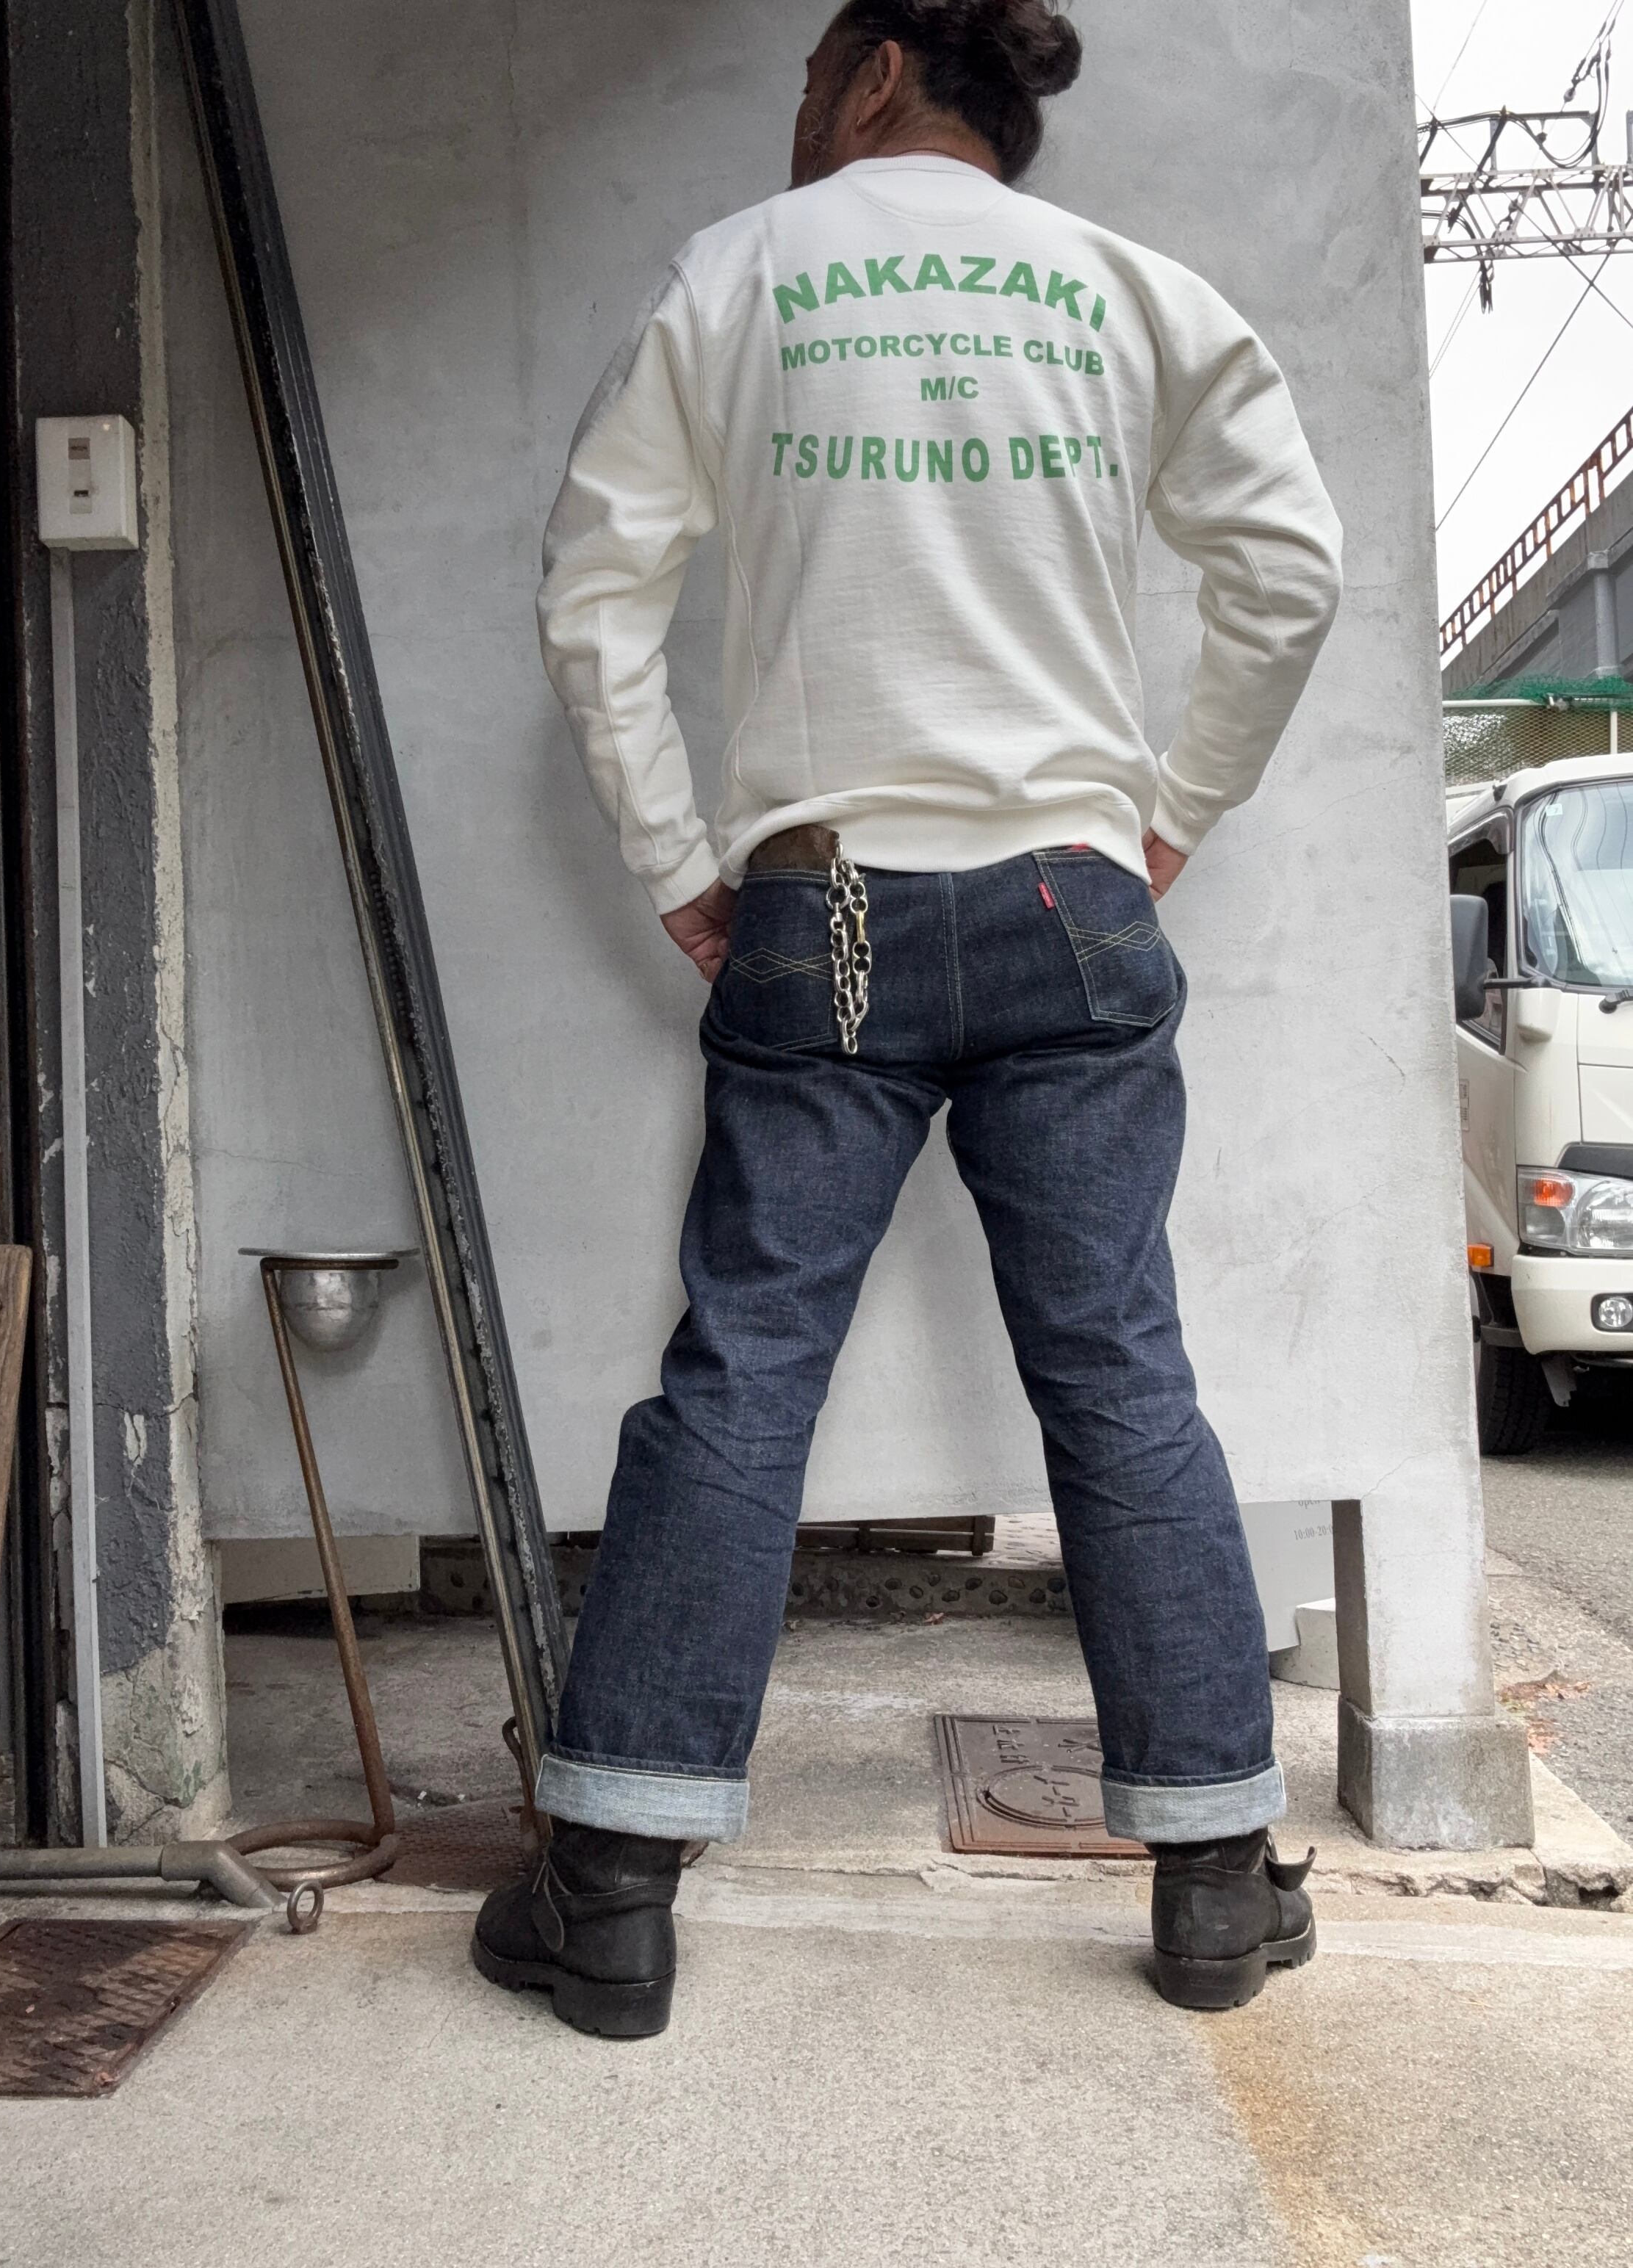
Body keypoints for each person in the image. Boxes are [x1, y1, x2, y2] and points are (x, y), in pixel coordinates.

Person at [473, 0, 1341, 2035]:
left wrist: (677, 857)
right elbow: (1286, 570)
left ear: (873, 71)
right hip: (1065, 896)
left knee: (744, 1367)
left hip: (829, 894)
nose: (799, 113)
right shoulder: (1130, 290)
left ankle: (612, 1892)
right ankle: (1216, 1883)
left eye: (810, 78)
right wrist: (1166, 817)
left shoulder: (739, 273)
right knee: (1115, 1367)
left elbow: (594, 591)